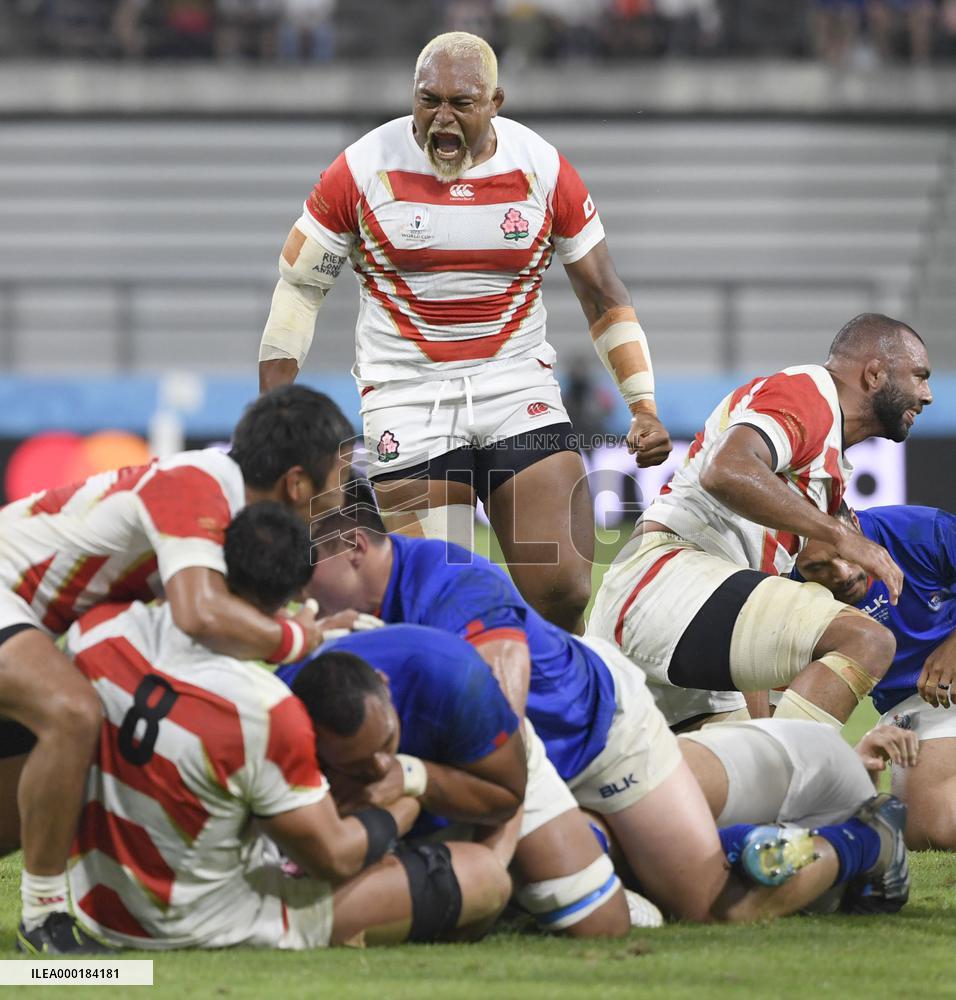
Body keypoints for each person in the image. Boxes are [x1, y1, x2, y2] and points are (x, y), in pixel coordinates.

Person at [305, 499, 904, 922]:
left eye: (308, 581)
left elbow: (500, 720)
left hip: (599, 734)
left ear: (354, 548)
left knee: (710, 903)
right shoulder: (349, 627)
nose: (304, 599)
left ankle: (868, 840)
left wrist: (489, 814)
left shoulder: (448, 579)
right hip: (541, 767)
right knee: (585, 867)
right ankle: (733, 843)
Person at [256, 29, 672, 633]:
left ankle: (558, 709)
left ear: (495, 102)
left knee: (561, 588)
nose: (441, 118)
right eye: (429, 101)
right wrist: (276, 413)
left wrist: (643, 404)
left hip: (516, 389)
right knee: (439, 609)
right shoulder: (362, 168)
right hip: (407, 394)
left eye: (461, 104)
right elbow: (299, 287)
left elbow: (604, 293)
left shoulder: (543, 169)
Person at [27, 503, 509, 950]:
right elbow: (335, 857)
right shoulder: (262, 708)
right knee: (485, 876)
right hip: (212, 923)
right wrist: (406, 789)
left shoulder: (100, 632)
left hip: (100, 909)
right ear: (292, 601)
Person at [0, 385, 352, 954]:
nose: (341, 496)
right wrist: (297, 637)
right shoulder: (197, 486)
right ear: (297, 483)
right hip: (10, 603)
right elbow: (197, 613)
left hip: (26, 621)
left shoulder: (217, 497)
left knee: (33, 801)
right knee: (70, 713)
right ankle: (43, 921)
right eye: (339, 475)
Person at [587, 313, 932, 731]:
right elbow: (725, 469)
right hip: (666, 585)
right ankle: (801, 776)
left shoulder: (828, 463)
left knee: (735, 783)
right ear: (875, 374)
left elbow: (752, 605)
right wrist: (842, 536)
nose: (926, 394)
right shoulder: (811, 393)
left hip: (689, 610)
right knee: (866, 639)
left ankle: (788, 776)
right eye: (919, 376)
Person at [279, 624, 641, 938]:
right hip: (401, 800)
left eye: (387, 743)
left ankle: (589, 845)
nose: (379, 767)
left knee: (602, 926)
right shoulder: (278, 722)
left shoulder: (455, 676)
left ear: (386, 686)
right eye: (358, 765)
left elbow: (506, 796)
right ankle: (507, 887)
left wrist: (411, 775)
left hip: (482, 774)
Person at [797, 503, 956, 849]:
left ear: (854, 522)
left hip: (947, 679)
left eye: (844, 553)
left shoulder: (923, 532)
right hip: (919, 700)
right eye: (817, 567)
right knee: (928, 830)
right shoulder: (784, 586)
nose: (841, 574)